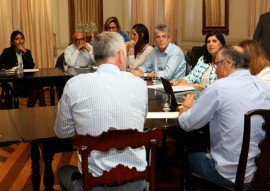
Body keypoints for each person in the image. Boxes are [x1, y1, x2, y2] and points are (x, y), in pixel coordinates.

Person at [54, 31, 148, 191]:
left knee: (63, 172)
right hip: (137, 184)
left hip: (95, 185)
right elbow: (141, 123)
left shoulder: (74, 85)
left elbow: (63, 132)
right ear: (121, 54)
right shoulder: (139, 84)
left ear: (96, 55)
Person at [178, 45, 270, 189]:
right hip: (262, 173)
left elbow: (187, 124)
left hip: (229, 173)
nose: (214, 70)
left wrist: (184, 109)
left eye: (215, 65)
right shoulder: (263, 87)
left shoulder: (219, 88)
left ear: (225, 64)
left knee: (185, 157)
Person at [0, 30, 46, 107]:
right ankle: (43, 105)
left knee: (37, 86)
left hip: (24, 81)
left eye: (22, 38)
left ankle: (31, 109)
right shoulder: (7, 52)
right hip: (12, 81)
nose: (20, 41)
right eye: (17, 39)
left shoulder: (27, 52)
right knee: (38, 87)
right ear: (12, 42)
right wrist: (11, 68)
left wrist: (24, 52)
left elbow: (31, 66)